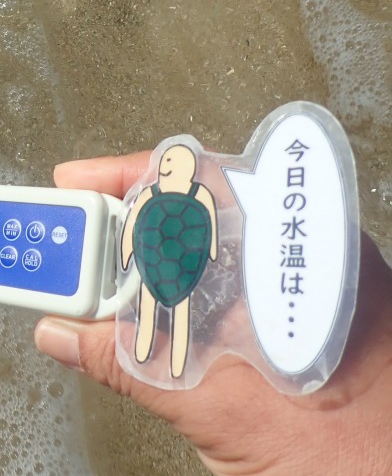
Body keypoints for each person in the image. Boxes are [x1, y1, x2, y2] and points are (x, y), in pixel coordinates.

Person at [34, 151, 392, 476]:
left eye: (175, 163)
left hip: (171, 264)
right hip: (166, 262)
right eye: (169, 163)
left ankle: (164, 359)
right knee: (159, 309)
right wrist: (130, 252)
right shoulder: (158, 194)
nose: (170, 166)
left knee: (170, 312)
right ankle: (148, 352)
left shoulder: (188, 195)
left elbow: (207, 228)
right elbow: (134, 228)